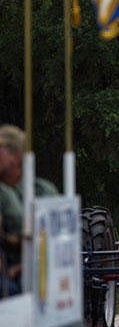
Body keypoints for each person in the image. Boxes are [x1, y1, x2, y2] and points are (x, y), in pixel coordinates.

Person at [0, 125, 57, 298]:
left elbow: (53, 244)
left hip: (30, 276)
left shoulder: (42, 192)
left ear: (16, 157)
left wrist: (26, 265)